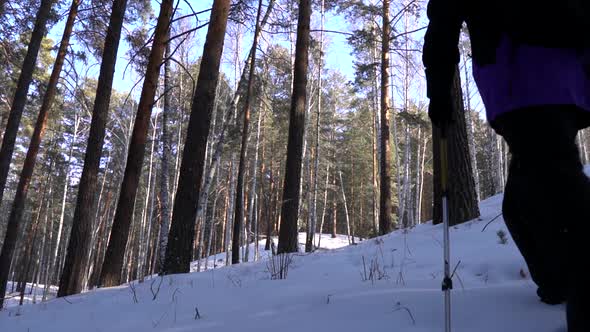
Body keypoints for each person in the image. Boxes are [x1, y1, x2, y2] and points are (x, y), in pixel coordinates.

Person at [423, 0, 590, 330]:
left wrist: (439, 90)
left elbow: (443, 21)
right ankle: (558, 285)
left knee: (556, 186)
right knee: (522, 200)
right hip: (563, 70)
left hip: (522, 71)